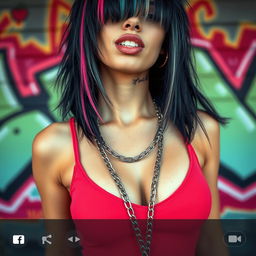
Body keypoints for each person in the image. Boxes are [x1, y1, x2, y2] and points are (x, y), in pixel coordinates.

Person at [32, 0, 229, 255]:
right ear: (89, 35)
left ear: (165, 45)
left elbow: (212, 243)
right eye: (116, 15)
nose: (133, 23)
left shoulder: (200, 131)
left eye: (150, 17)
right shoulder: (54, 146)